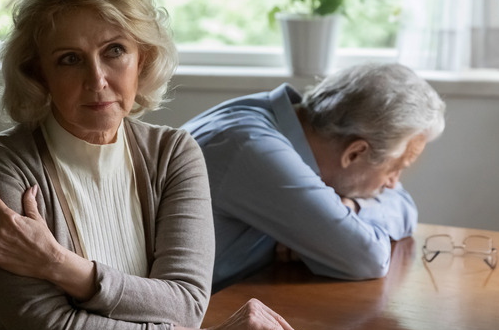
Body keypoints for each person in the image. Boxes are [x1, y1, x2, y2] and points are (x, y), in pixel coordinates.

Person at [0, 0, 303, 330]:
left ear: (144, 58)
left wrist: (60, 265)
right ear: (38, 73)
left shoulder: (174, 154)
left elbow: (184, 305)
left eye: (114, 50)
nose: (96, 80)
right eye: (69, 59)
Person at [182, 63, 446, 291]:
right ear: (355, 153)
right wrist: (340, 230)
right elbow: (368, 259)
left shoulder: (286, 122)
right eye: (394, 168)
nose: (393, 182)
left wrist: (353, 207)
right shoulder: (252, 146)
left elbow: (405, 206)